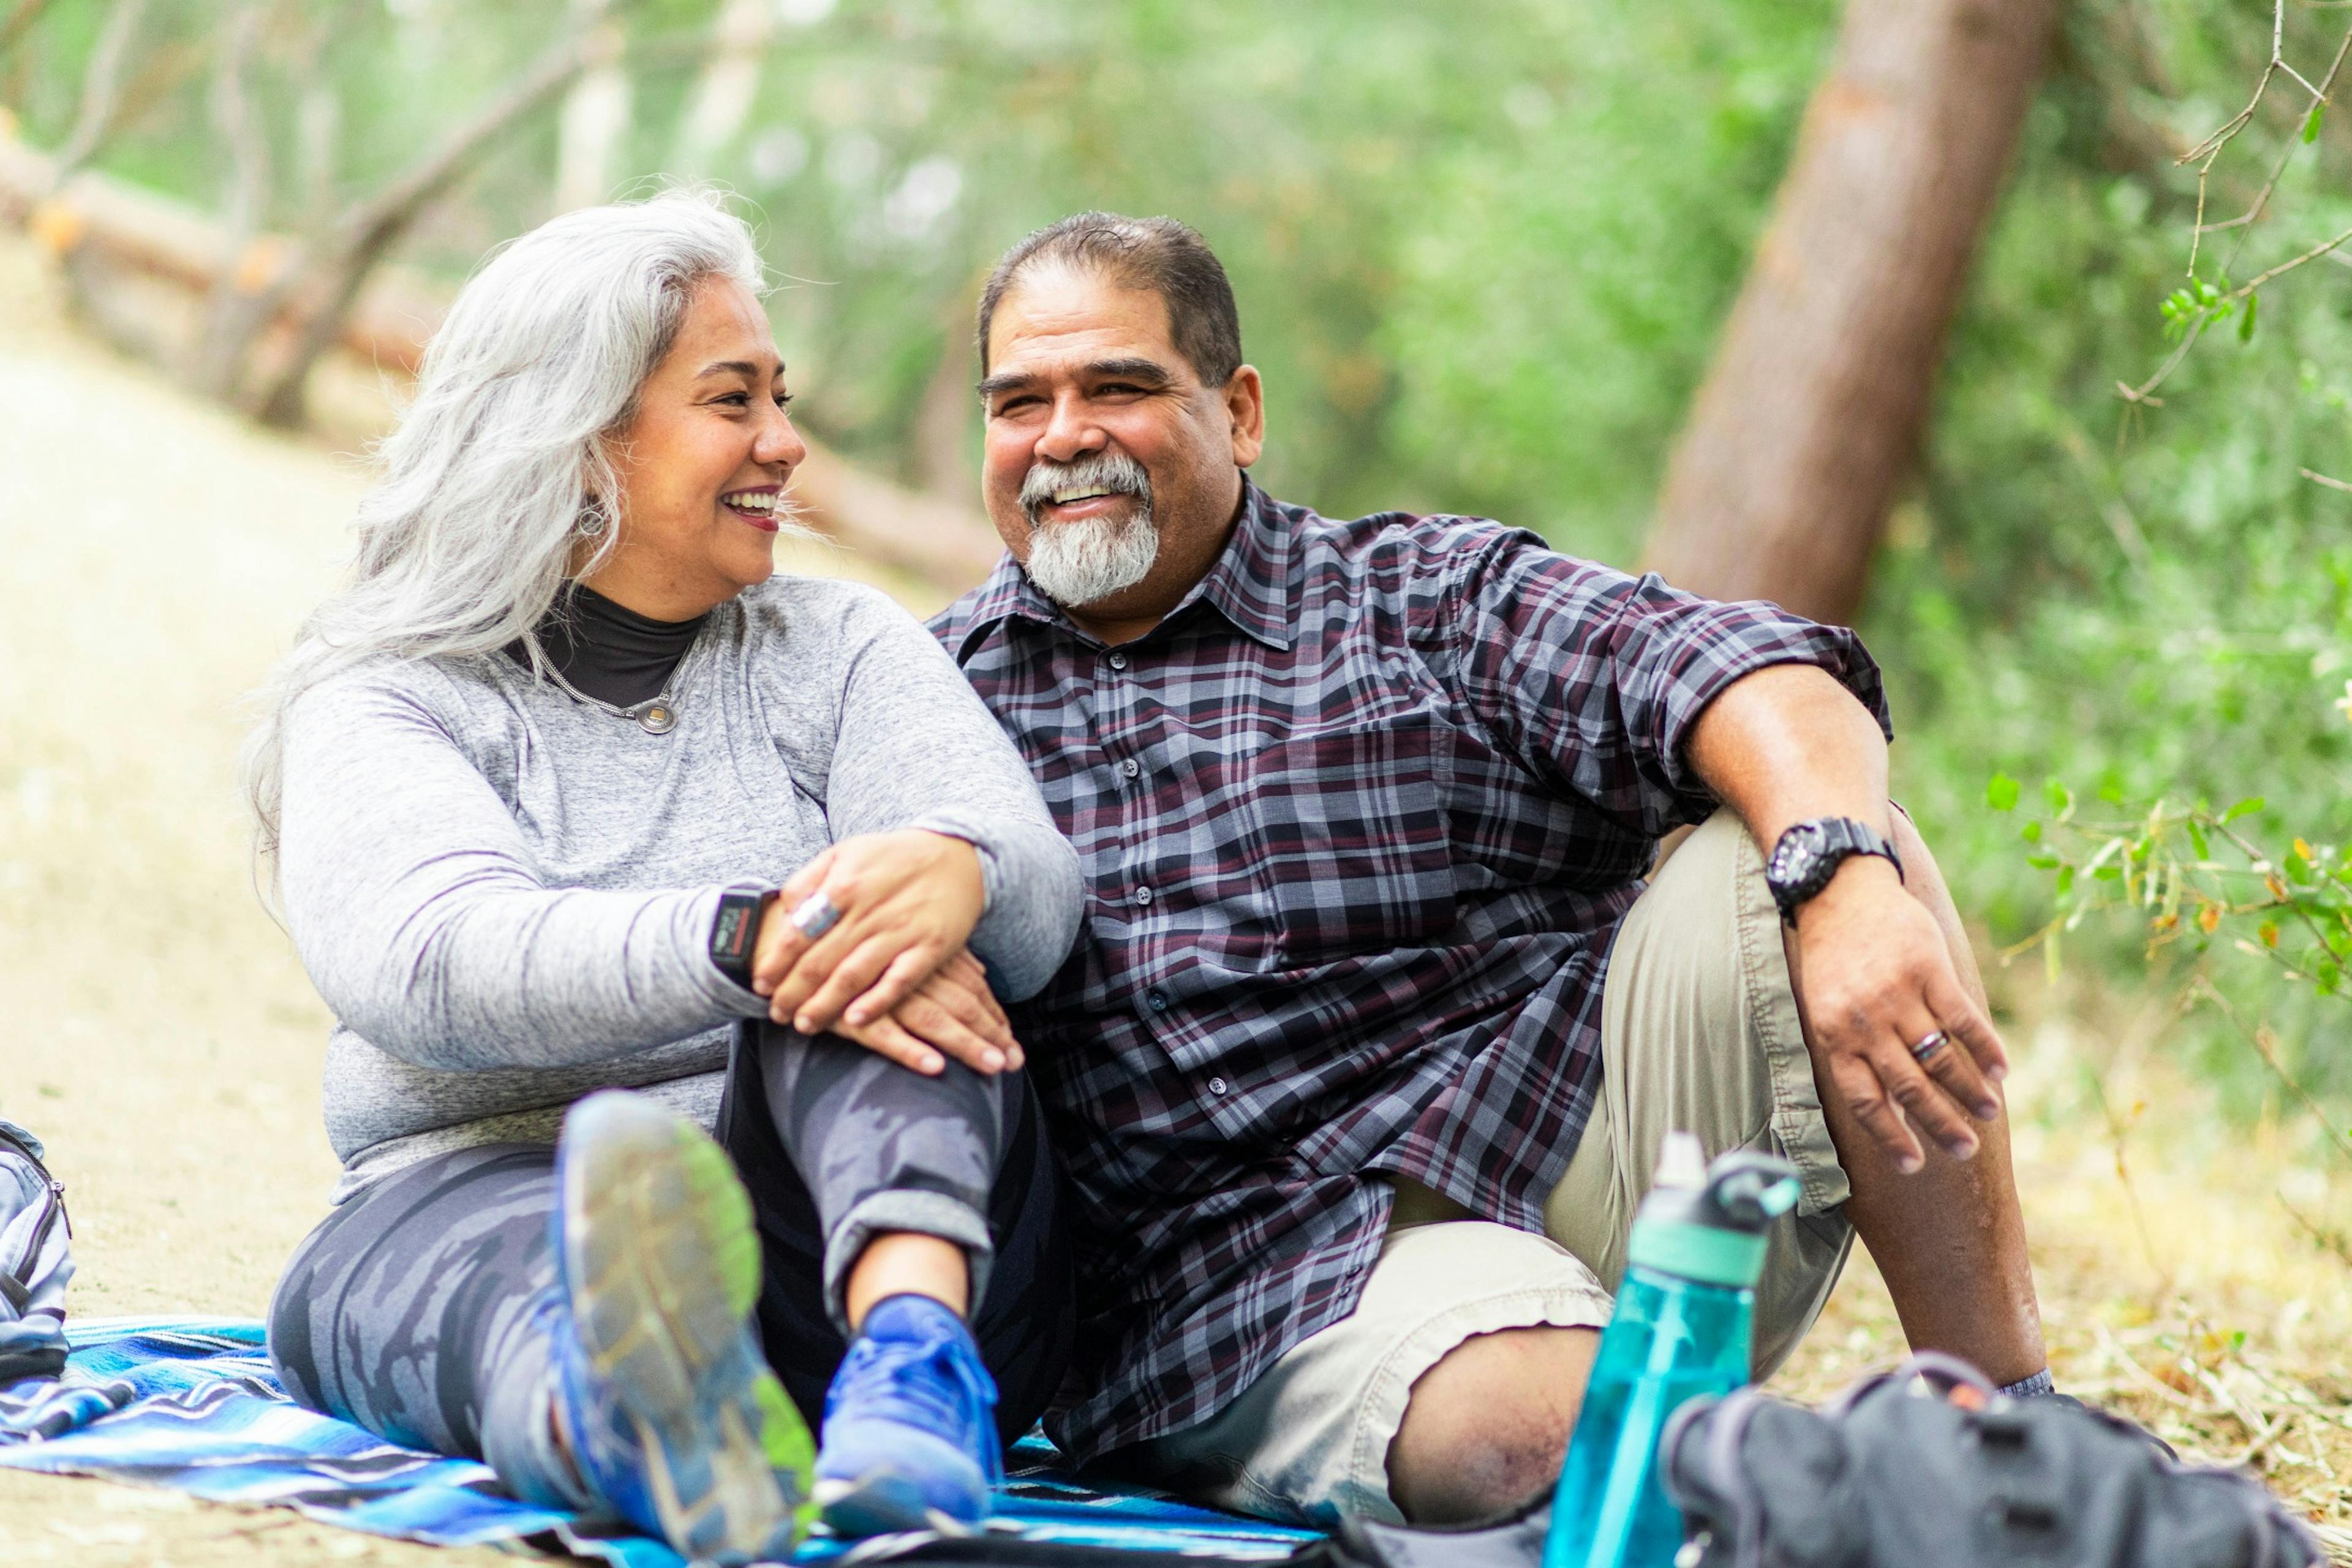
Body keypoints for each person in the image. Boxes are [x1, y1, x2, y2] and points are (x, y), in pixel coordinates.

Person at [930, 213, 2053, 1528]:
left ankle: (2013, 1431)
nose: (1064, 437)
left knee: (1829, 847)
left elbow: (1747, 666)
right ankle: (1737, 1481)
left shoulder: (1414, 598)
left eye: (1118, 386)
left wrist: (1840, 872)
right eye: (1022, 403)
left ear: (1237, 412)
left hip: (1587, 1151)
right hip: (1253, 1296)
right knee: (1552, 1435)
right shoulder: (935, 702)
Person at [246, 189, 1082, 1562]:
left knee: (880, 951)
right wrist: (744, 936)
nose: (785, 442)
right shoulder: (393, 699)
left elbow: (1033, 893)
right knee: (386, 1289)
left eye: (780, 394)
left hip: (873, 1235)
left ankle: (915, 1367)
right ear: (580, 442)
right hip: (474, 1187)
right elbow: (429, 959)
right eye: (731, 400)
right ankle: (642, 1415)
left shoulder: (837, 647)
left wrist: (958, 870)